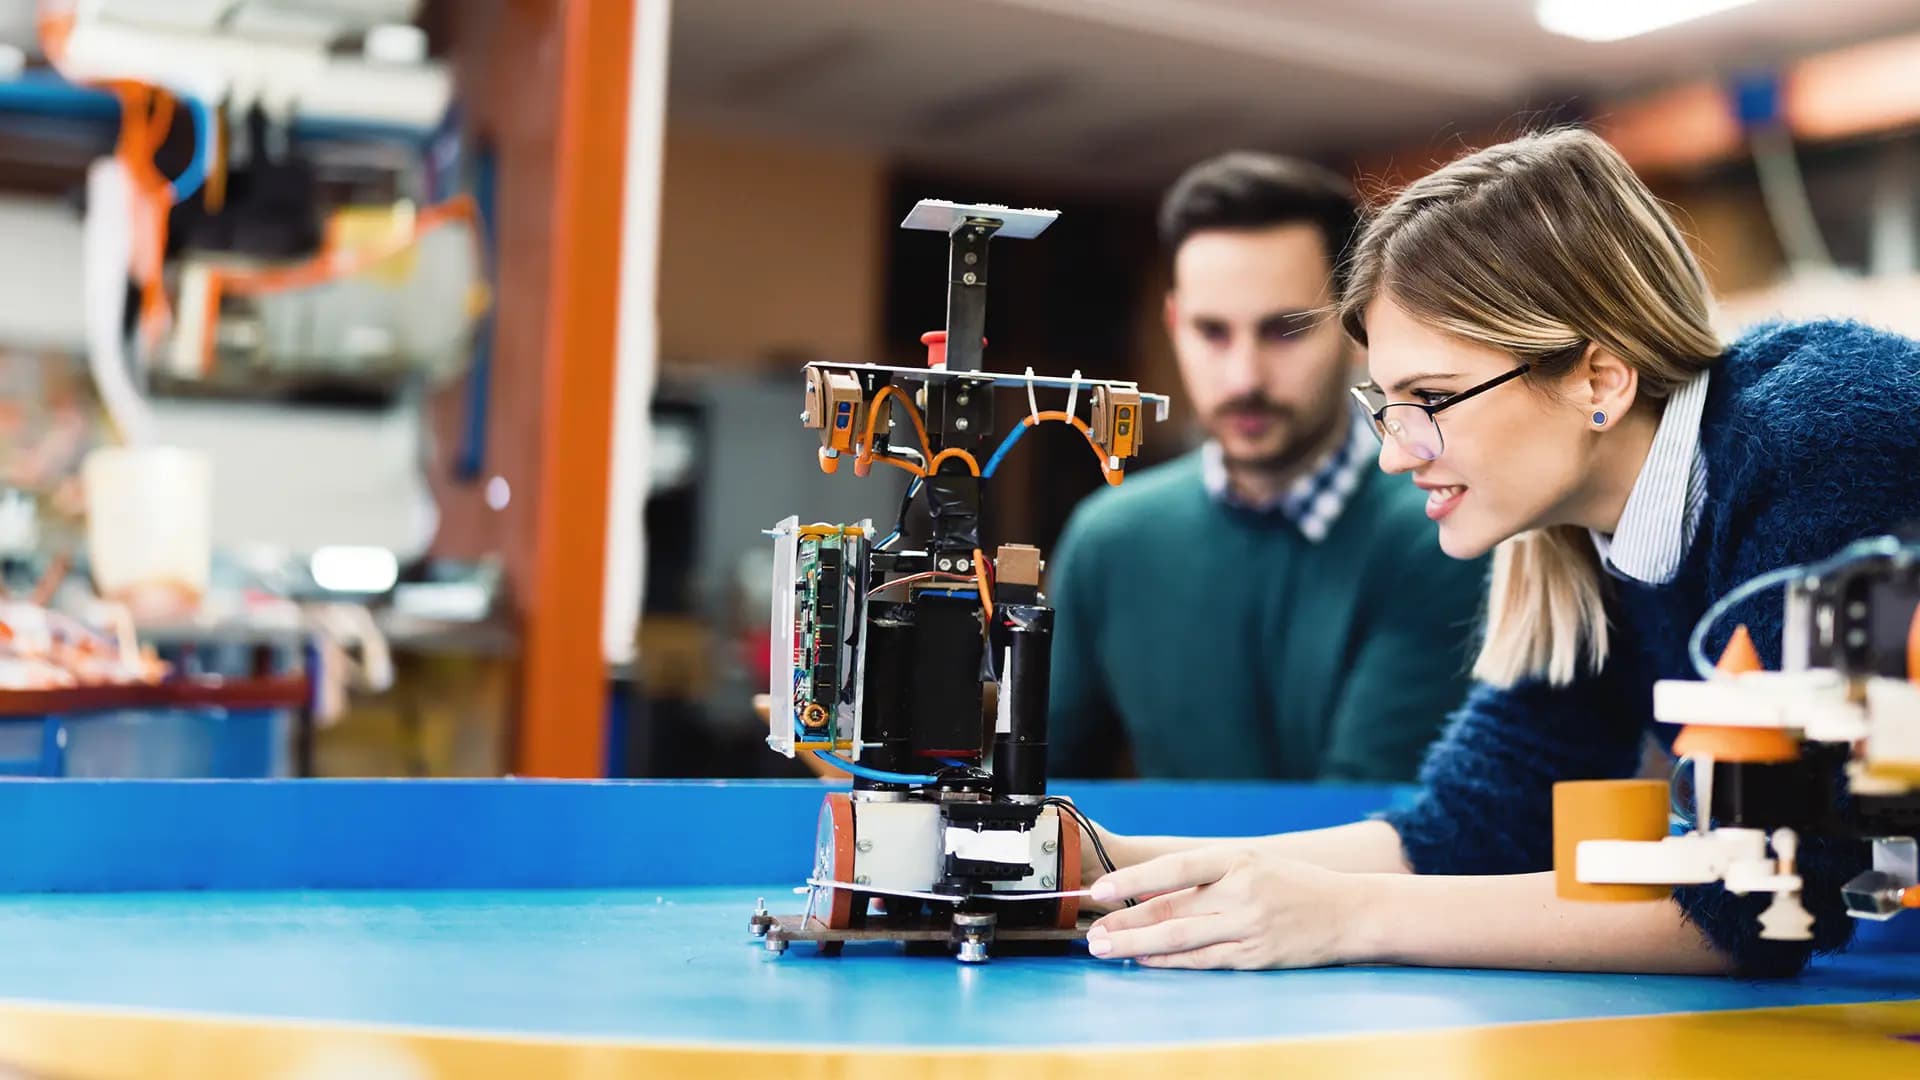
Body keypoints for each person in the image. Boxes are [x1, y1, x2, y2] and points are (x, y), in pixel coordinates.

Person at [1073, 127, 1920, 978]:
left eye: (1433, 398)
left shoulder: (1826, 440)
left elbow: (1759, 901)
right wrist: (1108, 863)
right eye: (1388, 403)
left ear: (1598, 379)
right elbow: (1472, 828)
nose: (1395, 453)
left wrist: (1349, 916)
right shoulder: (1580, 535)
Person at [1046, 152, 1486, 781]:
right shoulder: (1109, 539)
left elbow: (1372, 806)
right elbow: (1042, 788)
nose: (1243, 378)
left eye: (1284, 330)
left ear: (1358, 329)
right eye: (1212, 332)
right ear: (1174, 324)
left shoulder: (1443, 530)